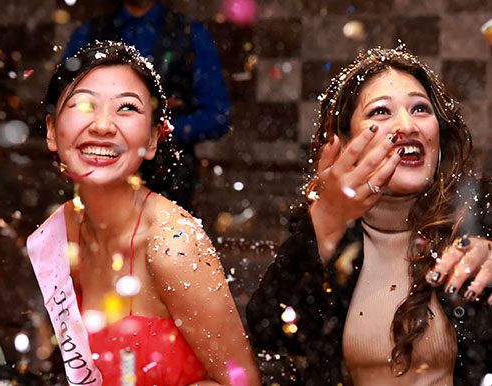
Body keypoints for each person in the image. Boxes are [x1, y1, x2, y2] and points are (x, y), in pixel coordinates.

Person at [246, 45, 492, 386]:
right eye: (380, 112)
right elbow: (268, 331)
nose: (406, 125)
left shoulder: (474, 231)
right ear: (344, 144)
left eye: (420, 109)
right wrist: (327, 218)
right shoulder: (330, 243)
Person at [27, 41, 260, 386]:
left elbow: (241, 382)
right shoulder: (59, 234)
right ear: (50, 130)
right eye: (83, 104)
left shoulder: (172, 244)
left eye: (126, 108)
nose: (103, 125)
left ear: (152, 139)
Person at [62, 0, 230, 211]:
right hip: (100, 179)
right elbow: (63, 107)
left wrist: (158, 130)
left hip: (170, 182)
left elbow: (217, 116)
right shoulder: (88, 33)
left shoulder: (190, 34)